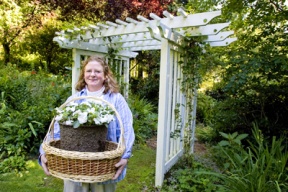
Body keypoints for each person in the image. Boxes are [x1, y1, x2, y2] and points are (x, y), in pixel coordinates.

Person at [39, 56, 135, 192]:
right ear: (84, 75)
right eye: (89, 71)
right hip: (74, 164)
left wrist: (125, 156)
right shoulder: (74, 99)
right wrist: (44, 152)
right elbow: (56, 130)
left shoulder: (116, 99)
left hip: (104, 165)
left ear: (106, 75)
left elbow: (126, 129)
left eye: (98, 71)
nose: (93, 74)